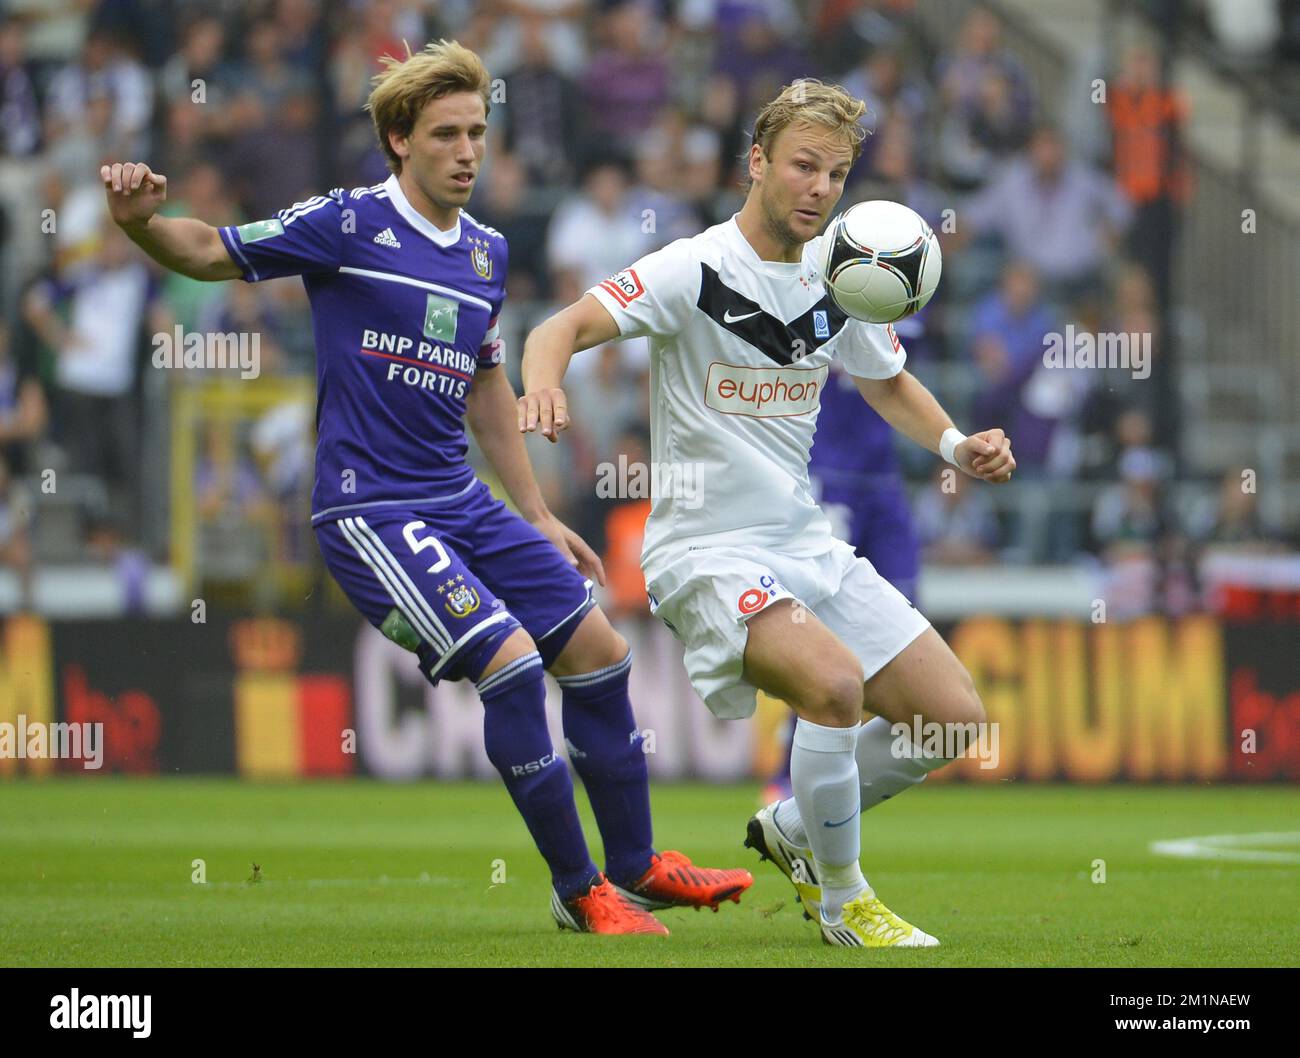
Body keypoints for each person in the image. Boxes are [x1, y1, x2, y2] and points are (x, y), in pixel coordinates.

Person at [101, 39, 750, 936]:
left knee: (598, 651)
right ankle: (578, 891)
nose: (468, 151)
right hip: (369, 510)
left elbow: (488, 384)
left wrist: (535, 511)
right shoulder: (346, 224)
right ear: (399, 139)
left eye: (478, 132)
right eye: (446, 133)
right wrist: (139, 223)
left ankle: (637, 867)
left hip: (462, 499)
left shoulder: (485, 251)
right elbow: (212, 252)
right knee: (514, 665)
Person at [519, 78, 1016, 948]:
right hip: (704, 549)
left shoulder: (842, 279)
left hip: (803, 542)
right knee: (832, 687)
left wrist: (954, 445)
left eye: (836, 174)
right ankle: (845, 902)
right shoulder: (693, 268)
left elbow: (886, 378)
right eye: (803, 166)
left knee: (954, 722)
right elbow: (555, 328)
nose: (820, 189)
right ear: (757, 162)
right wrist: (544, 387)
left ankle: (796, 826)